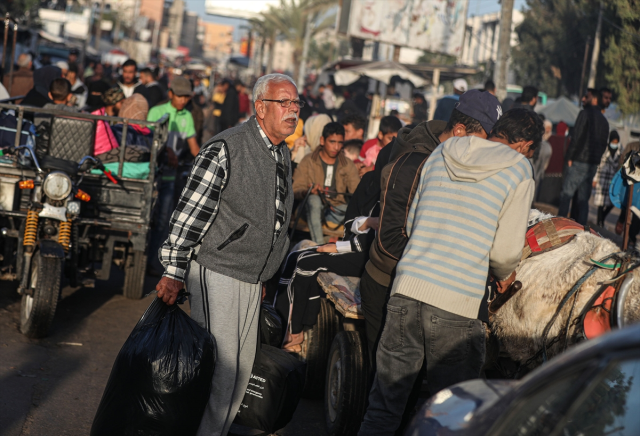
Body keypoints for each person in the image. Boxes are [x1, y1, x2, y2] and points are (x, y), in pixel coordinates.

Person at [358, 108, 543, 436]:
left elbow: (412, 223)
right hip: (457, 305)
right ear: (526, 145)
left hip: (406, 289)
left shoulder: (443, 150)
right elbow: (504, 254)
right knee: (453, 415)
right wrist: (503, 274)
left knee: (385, 405)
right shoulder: (519, 169)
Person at [155, 73, 299, 436]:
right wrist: (173, 270)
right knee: (221, 369)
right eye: (284, 103)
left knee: (241, 370)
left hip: (252, 278)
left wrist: (266, 271)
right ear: (260, 107)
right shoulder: (227, 147)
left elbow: (276, 216)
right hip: (217, 268)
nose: (293, 111)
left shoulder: (282, 153)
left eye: (296, 104)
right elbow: (190, 212)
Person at [360, 90, 503, 368]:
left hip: (427, 285)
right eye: (484, 142)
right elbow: (390, 239)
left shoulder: (458, 161)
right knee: (388, 383)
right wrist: (447, 262)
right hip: (389, 282)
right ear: (460, 131)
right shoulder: (413, 163)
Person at [146, 76, 200, 276]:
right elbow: (146, 138)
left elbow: (194, 147)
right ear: (170, 94)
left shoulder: (188, 116)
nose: (183, 100)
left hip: (170, 178)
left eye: (186, 96)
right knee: (146, 220)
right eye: (179, 96)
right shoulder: (157, 112)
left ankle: (151, 261)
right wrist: (166, 148)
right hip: (151, 176)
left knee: (163, 222)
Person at [292, 122, 360, 244]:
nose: (336, 147)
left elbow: (357, 193)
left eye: (340, 143)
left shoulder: (348, 164)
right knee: (314, 200)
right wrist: (308, 191)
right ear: (322, 140)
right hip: (309, 210)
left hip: (334, 210)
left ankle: (335, 243)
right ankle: (318, 245)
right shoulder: (308, 161)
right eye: (332, 142)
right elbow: (295, 189)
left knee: (352, 211)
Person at [558, 89, 610, 224]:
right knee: (583, 200)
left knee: (566, 194)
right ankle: (581, 229)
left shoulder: (584, 114)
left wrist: (570, 157)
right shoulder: (604, 121)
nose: (583, 99)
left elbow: (576, 137)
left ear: (594, 100)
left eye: (586, 96)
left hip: (579, 161)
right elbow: (604, 145)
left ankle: (559, 225)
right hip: (592, 164)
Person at [593, 131, 621, 227]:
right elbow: (598, 165)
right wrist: (595, 178)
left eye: (616, 142)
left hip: (612, 181)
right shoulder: (604, 150)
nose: (614, 144)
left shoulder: (620, 153)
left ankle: (602, 218)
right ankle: (599, 223)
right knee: (601, 203)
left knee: (611, 202)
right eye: (613, 141)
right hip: (602, 179)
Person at [91, 88, 125, 155]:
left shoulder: (120, 118)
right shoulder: (98, 116)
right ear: (113, 102)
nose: (124, 106)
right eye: (121, 103)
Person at [530, 118, 554, 201]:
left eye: (550, 128)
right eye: (547, 127)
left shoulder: (548, 143)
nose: (548, 130)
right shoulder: (541, 142)